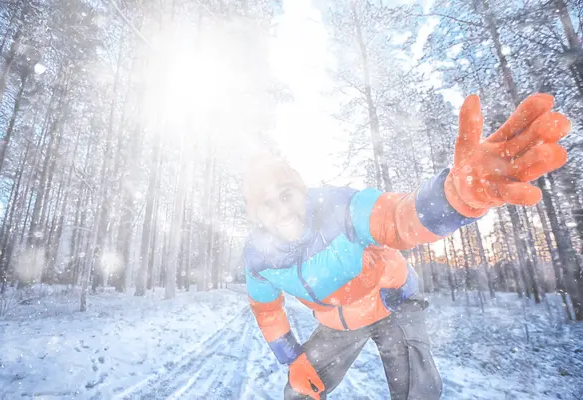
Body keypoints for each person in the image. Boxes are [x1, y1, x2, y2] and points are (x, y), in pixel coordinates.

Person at [241, 93, 570, 399]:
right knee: (298, 392)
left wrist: (452, 198)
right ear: (256, 216)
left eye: (286, 195)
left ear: (302, 190)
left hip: (392, 301)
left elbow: (398, 217)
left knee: (418, 392)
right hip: (338, 323)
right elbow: (268, 311)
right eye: (267, 205)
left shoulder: (338, 208)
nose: (282, 210)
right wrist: (292, 358)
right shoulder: (259, 259)